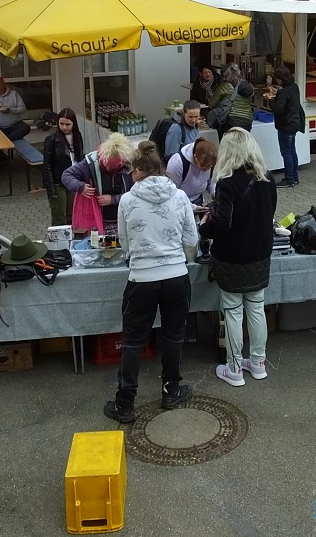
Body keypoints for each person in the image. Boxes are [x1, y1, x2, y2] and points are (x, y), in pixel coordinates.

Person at [104, 141, 198, 423]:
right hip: (175, 276)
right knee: (172, 336)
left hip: (142, 278)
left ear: (139, 170)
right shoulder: (180, 197)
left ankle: (125, 402)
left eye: (131, 170)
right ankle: (171, 389)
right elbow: (191, 240)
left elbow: (123, 242)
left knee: (133, 341)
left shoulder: (129, 199)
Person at [199, 128, 277, 387]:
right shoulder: (268, 179)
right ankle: (258, 363)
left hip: (233, 258)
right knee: (256, 309)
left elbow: (223, 225)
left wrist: (204, 226)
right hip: (260, 255)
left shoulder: (227, 183)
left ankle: (234, 368)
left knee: (233, 312)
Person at [62, 132, 136, 233]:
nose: (108, 169)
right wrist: (81, 187)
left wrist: (113, 199)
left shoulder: (130, 166)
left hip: (125, 219)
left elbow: (136, 193)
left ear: (122, 162)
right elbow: (66, 175)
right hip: (98, 219)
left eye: (113, 168)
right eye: (105, 166)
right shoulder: (90, 163)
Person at [42, 108, 84, 226]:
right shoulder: (51, 140)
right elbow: (47, 166)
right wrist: (51, 190)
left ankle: (71, 242)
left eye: (68, 124)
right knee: (59, 218)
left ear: (73, 124)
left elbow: (79, 159)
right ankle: (58, 243)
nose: (64, 127)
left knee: (72, 216)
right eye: (61, 124)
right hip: (57, 183)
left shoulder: (77, 137)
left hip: (73, 180)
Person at [267, 65, 304, 188]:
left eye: (276, 78)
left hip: (285, 125)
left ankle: (289, 179)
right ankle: (294, 176)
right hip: (294, 123)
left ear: (280, 78)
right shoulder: (294, 87)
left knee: (286, 153)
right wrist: (279, 92)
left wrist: (270, 99)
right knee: (292, 151)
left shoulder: (285, 92)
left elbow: (277, 109)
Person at [167, 137, 217, 204]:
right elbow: (170, 193)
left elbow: (210, 181)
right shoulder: (177, 163)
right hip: (179, 204)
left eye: (210, 166)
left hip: (198, 200)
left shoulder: (209, 162)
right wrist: (191, 207)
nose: (207, 169)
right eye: (203, 166)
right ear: (195, 157)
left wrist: (215, 194)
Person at [208, 63, 254, 133]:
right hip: (247, 121)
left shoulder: (225, 86)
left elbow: (212, 104)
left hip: (230, 121)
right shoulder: (245, 86)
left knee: (226, 142)